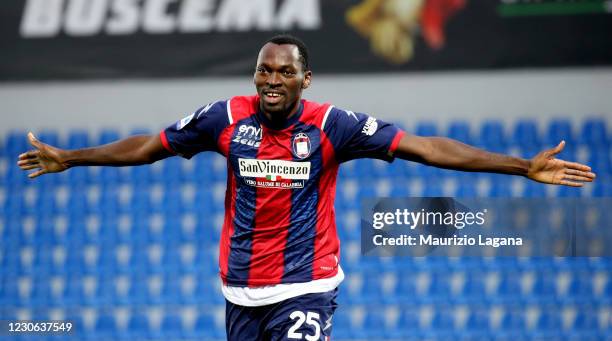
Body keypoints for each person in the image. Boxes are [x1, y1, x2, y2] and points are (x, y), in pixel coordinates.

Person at [17, 34, 595, 340]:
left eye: (284, 71)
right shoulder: (224, 117)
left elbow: (427, 147)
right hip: (239, 291)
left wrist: (522, 167)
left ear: (305, 79)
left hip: (307, 284)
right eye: (264, 70)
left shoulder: (332, 125)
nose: (272, 80)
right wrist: (70, 157)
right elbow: (148, 147)